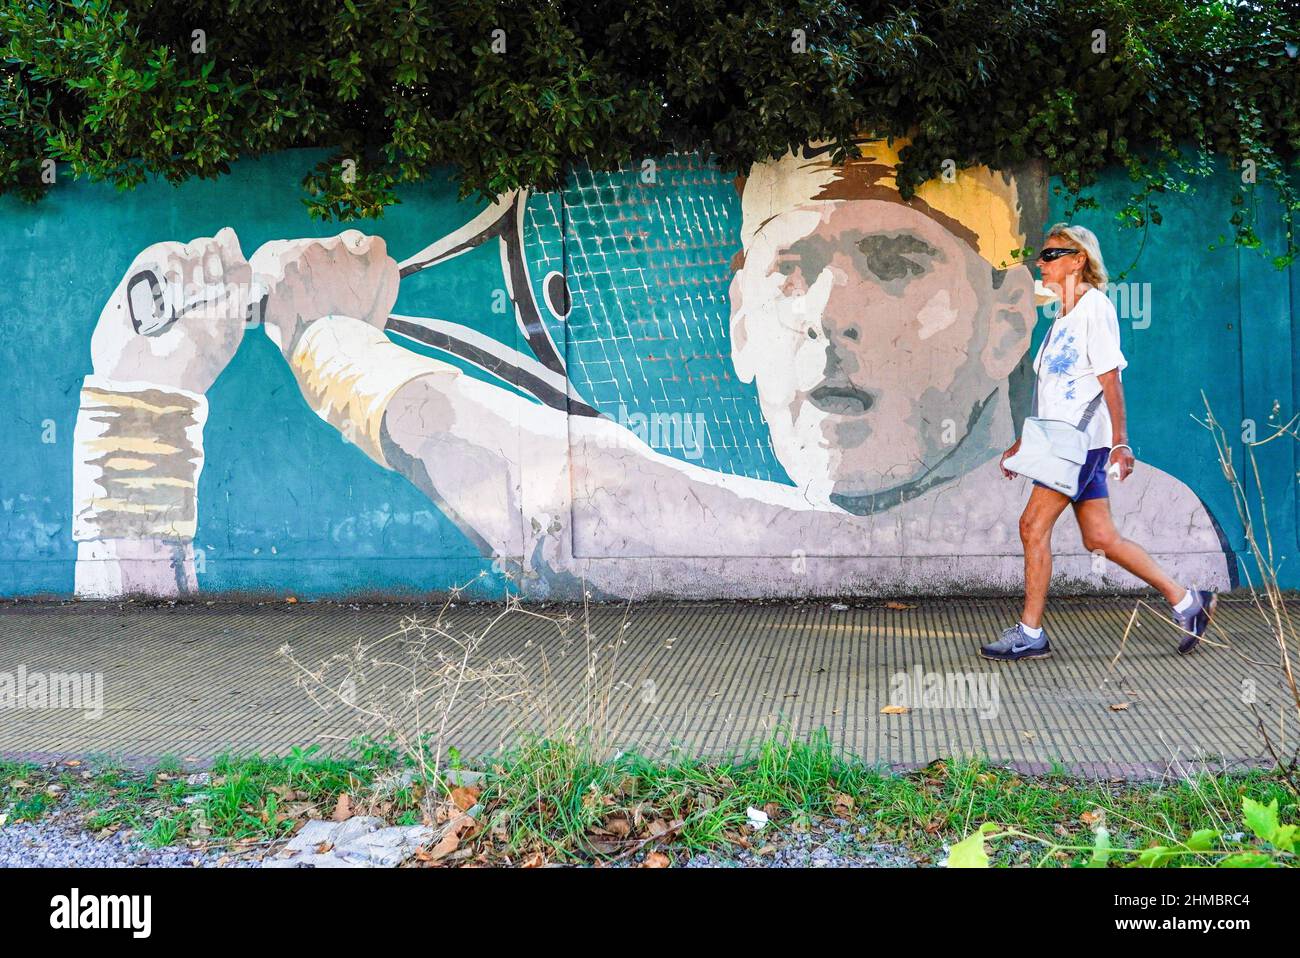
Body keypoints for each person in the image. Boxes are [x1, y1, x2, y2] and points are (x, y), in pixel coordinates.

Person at [70, 141, 1233, 602]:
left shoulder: (1139, 524)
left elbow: (587, 514)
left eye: (893, 258)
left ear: (1005, 324)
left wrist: (328, 340)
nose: (833, 313)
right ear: (737, 320)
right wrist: (138, 412)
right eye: (793, 269)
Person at [980, 224, 1217, 661]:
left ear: (1078, 259)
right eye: (1042, 256)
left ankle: (1031, 633)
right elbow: (1055, 391)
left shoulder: (1096, 308)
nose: (1041, 263)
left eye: (1051, 255)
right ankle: (1188, 601)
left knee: (1032, 526)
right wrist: (1023, 441)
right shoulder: (1061, 318)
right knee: (1101, 537)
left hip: (1080, 447)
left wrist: (1120, 443)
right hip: (1060, 443)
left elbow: (1110, 378)